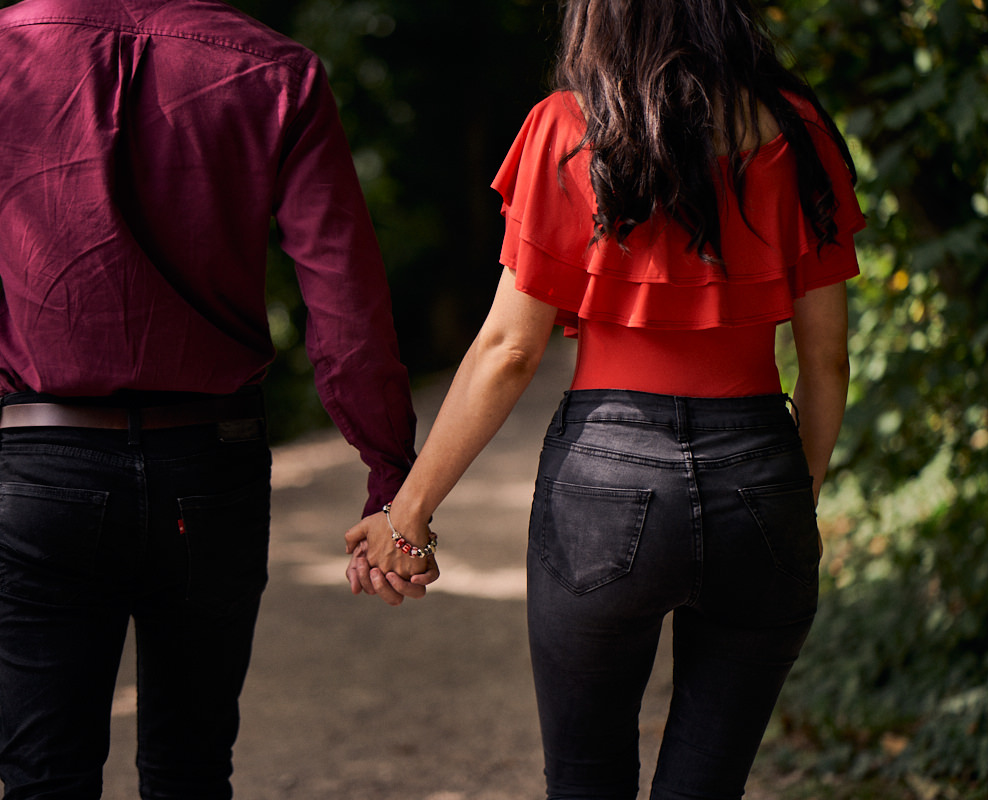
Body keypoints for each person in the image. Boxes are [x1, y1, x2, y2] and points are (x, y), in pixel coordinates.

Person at [0, 0, 426, 797]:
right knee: (191, 772)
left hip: (49, 467)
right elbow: (347, 316)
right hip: (209, 468)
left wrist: (22, 376)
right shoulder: (279, 73)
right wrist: (390, 475)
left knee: (42, 778)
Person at [344, 0, 863, 797]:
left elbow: (510, 350)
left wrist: (406, 515)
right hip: (760, 470)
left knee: (587, 779)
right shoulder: (797, 131)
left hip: (605, 481)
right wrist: (795, 497)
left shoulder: (568, 127)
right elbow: (826, 361)